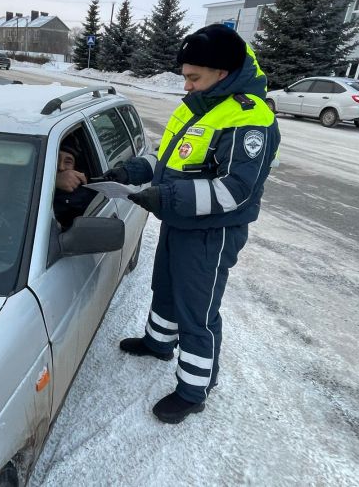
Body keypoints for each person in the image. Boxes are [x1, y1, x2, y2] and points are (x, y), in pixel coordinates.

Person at [103, 24, 281, 424]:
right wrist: (132, 171)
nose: (185, 85)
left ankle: (194, 389)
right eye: (184, 76)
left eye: (193, 77)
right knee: (165, 286)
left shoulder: (248, 118)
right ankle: (158, 343)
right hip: (179, 220)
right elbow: (167, 158)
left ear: (222, 72)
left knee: (197, 309)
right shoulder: (196, 104)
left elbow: (236, 190)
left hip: (211, 232)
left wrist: (165, 198)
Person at [53, 139, 97, 229]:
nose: (61, 167)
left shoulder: (84, 192)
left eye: (68, 162)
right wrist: (54, 182)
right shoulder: (30, 179)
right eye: (56, 159)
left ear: (75, 167)